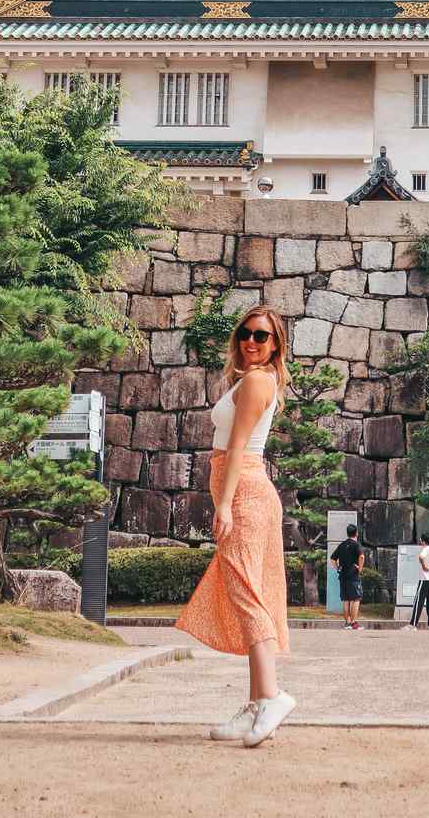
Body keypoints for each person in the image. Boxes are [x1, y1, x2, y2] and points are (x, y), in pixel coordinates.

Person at [176, 306, 294, 747]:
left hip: (244, 491)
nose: (251, 341)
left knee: (246, 593)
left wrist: (223, 504)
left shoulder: (259, 381)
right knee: (248, 590)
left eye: (262, 336)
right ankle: (255, 705)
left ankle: (272, 697)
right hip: (245, 488)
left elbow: (240, 447)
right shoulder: (250, 380)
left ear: (276, 344)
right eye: (246, 333)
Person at [330, 523, 365, 631]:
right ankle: (354, 623)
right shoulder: (356, 544)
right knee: (355, 599)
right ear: (356, 533)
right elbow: (362, 556)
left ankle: (347, 623)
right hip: (353, 575)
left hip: (343, 575)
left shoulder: (342, 545)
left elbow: (332, 559)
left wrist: (338, 568)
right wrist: (360, 568)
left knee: (345, 599)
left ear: (347, 533)